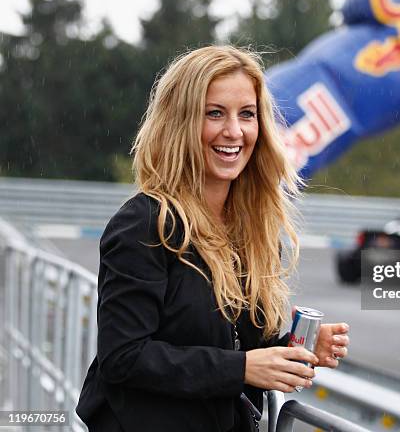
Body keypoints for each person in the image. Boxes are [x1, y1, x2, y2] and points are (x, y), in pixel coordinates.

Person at [75, 45, 350, 432]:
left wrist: (296, 346)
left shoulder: (253, 229)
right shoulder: (144, 224)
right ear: (180, 122)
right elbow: (123, 357)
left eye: (247, 114)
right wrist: (242, 369)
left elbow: (238, 343)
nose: (234, 131)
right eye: (214, 113)